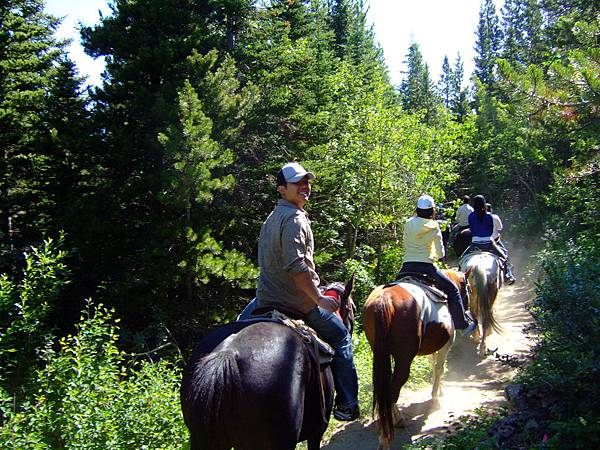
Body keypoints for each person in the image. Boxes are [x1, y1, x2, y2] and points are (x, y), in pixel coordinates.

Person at [254, 162, 360, 421]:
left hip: (265, 298)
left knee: (238, 324)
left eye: (307, 182)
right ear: (281, 189)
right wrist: (319, 299)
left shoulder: (272, 217)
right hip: (296, 303)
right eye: (297, 183)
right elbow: (297, 267)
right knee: (342, 338)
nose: (305, 187)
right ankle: (347, 403)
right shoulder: (295, 218)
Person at [397, 194, 478, 336]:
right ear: (432, 210)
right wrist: (432, 254)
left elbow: (405, 242)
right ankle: (462, 325)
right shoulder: (434, 226)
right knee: (453, 290)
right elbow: (440, 253)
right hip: (426, 267)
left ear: (417, 209)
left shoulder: (408, 223)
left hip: (406, 266)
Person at [466, 195, 514, 283]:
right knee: (504, 257)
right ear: (484, 204)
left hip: (475, 243)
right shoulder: (489, 216)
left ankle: (461, 276)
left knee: (462, 258)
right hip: (488, 243)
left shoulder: (471, 216)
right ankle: (508, 275)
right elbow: (490, 230)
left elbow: (471, 229)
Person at [486, 203, 516, 284]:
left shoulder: (479, 217)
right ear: (490, 209)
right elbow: (500, 228)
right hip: (494, 241)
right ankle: (508, 275)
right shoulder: (495, 217)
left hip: (479, 241)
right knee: (505, 254)